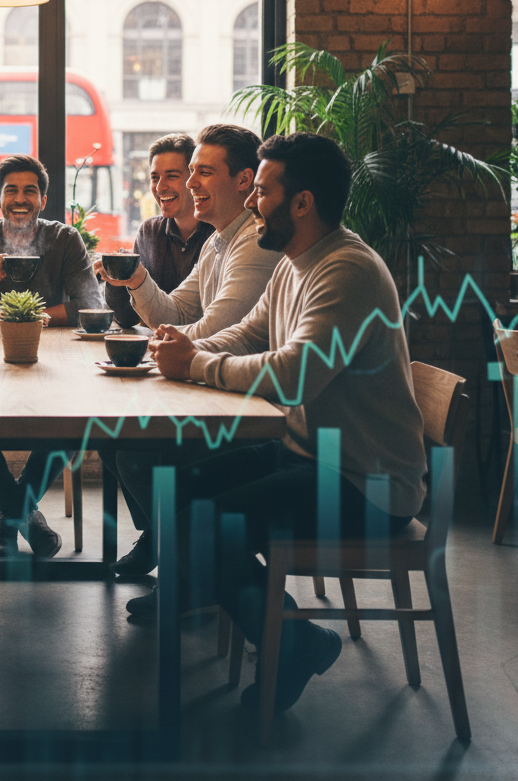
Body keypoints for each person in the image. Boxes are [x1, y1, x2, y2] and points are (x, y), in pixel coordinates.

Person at [135, 132, 427, 716]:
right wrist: (183, 348)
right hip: (309, 454)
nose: (250, 202)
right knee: (177, 489)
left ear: (302, 202)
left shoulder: (346, 271)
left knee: (201, 528)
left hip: (364, 481)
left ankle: (294, 642)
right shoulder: (296, 261)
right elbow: (249, 334)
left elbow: (294, 376)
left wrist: (195, 364)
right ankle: (267, 620)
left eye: (262, 190)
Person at [103, 124, 282, 576]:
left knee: (138, 454)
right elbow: (181, 310)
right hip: (233, 397)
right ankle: (175, 556)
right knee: (121, 444)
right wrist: (137, 279)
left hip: (252, 415)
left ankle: (182, 567)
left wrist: (178, 350)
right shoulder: (219, 240)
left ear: (245, 181)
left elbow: (218, 328)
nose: (188, 185)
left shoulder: (257, 245)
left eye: (200, 172)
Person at [0, 153, 101, 557]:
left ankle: (9, 517)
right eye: (12, 190)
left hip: (53, 363)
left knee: (74, 420)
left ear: (43, 199)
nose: (21, 198)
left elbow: (92, 305)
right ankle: (22, 514)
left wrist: (31, 315)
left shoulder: (64, 240)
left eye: (31, 190)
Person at [102, 132, 213, 330]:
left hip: (200, 349)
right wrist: (115, 278)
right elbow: (126, 318)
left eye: (171, 176)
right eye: (155, 177)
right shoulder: (149, 232)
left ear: (192, 179)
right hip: (156, 350)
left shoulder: (217, 234)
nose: (160, 187)